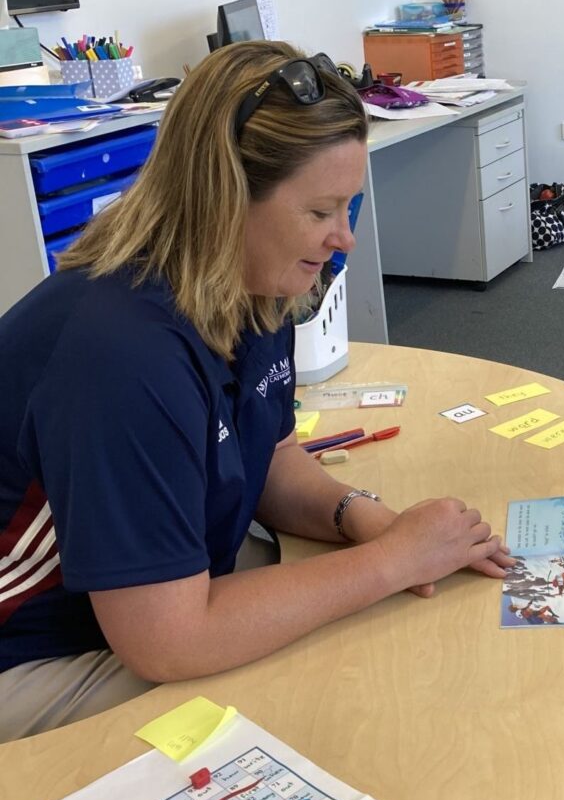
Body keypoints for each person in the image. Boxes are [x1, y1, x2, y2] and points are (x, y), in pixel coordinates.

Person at [0, 41, 512, 742]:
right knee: (309, 697)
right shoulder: (119, 353)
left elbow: (266, 459)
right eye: (320, 211)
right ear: (225, 198)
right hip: (30, 651)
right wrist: (390, 562)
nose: (343, 239)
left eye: (349, 206)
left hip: (133, 602)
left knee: (354, 632)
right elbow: (169, 643)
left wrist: (364, 519)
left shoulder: (251, 284)